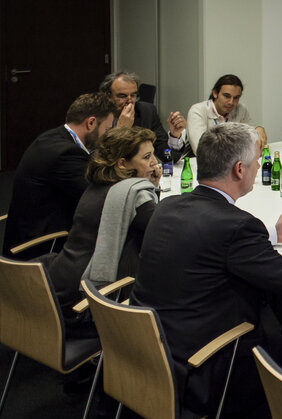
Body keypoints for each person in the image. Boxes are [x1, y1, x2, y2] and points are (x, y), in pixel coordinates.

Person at [129, 122, 282, 419]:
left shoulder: (169, 205)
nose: (260, 165)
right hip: (203, 362)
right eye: (257, 159)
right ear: (238, 169)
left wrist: (274, 234)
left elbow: (212, 243)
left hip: (149, 349)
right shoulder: (236, 225)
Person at [45, 127, 160, 335]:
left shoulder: (97, 186)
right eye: (146, 157)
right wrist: (152, 189)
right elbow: (164, 230)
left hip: (55, 292)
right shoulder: (131, 195)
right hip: (82, 307)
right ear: (123, 164)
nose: (155, 162)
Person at [3, 92, 114, 259]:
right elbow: (99, 196)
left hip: (26, 232)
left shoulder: (53, 136)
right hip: (42, 248)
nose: (107, 136)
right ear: (91, 123)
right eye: (107, 129)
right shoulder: (66, 153)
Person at [99, 71, 187, 162]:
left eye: (133, 95)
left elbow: (165, 154)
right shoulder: (98, 116)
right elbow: (100, 159)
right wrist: (121, 130)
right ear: (108, 96)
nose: (130, 101)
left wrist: (174, 136)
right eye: (122, 96)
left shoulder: (146, 111)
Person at [186, 74, 268, 154]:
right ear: (215, 93)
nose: (231, 102)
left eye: (236, 97)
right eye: (227, 96)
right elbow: (200, 150)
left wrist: (258, 130)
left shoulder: (240, 109)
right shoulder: (198, 110)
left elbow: (253, 141)